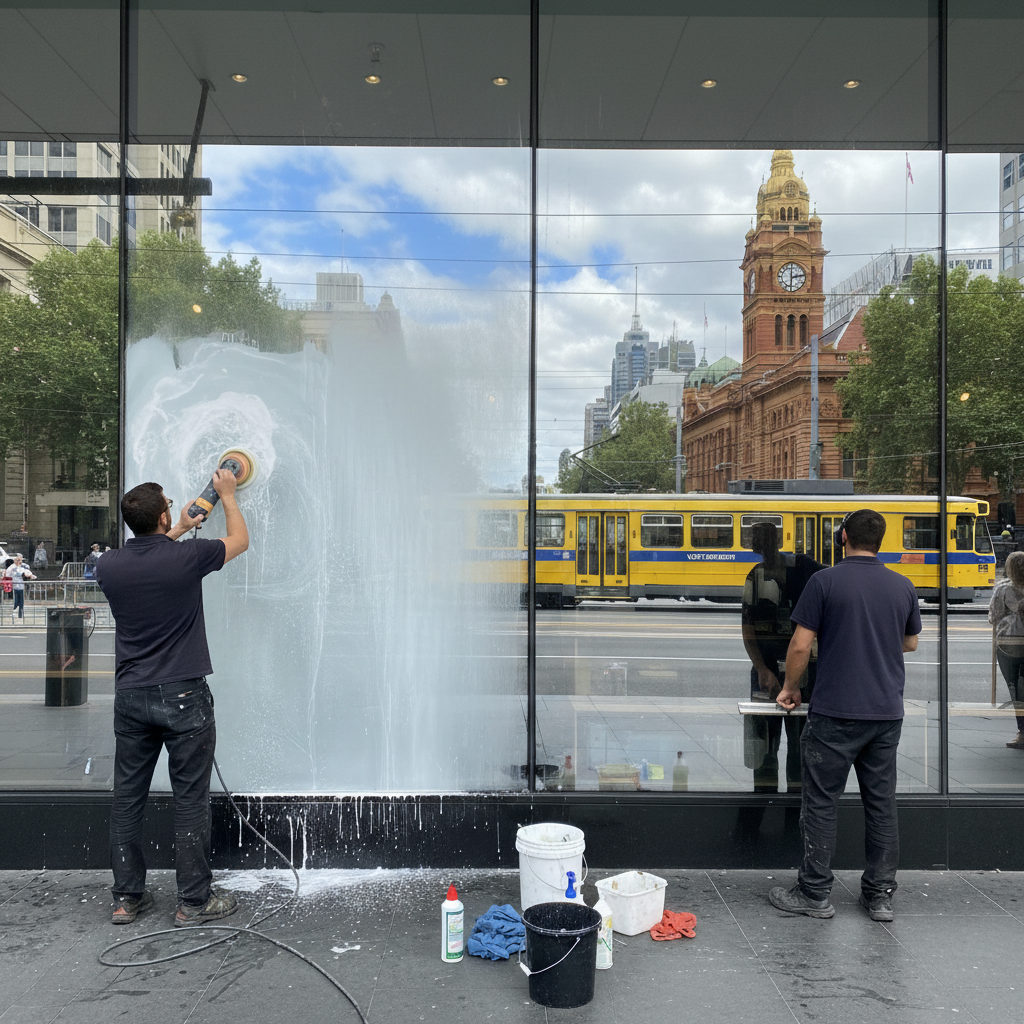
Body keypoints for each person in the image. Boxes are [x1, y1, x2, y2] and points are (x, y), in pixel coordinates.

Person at [97, 470, 249, 926]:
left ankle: (127, 899)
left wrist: (177, 526)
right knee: (189, 800)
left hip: (131, 697)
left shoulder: (109, 566)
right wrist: (226, 496)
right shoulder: (188, 559)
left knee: (127, 799)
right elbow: (239, 540)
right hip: (184, 697)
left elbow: (151, 553)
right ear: (163, 514)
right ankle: (194, 902)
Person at [768, 508, 921, 924]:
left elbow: (800, 646)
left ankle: (815, 893)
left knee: (820, 803)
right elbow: (910, 643)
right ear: (880, 541)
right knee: (882, 804)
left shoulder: (825, 581)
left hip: (835, 713)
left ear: (843, 536)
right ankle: (880, 896)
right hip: (886, 712)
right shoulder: (901, 585)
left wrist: (790, 687)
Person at [740, 521, 825, 792]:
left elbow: (748, 630)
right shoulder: (757, 575)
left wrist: (762, 670)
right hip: (779, 672)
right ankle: (768, 798)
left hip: (798, 671)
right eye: (758, 540)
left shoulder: (802, 566)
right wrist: (763, 670)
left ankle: (791, 804)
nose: (761, 545)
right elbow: (748, 629)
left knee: (798, 746)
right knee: (766, 747)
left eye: (763, 539)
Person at [989, 550, 1024, 749]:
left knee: (1017, 691)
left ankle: (1023, 732)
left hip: (1009, 643)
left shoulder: (1003, 589)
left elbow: (993, 617)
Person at [4, 554, 36, 622]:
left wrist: (30, 575)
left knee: (21, 601)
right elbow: (7, 574)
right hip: (14, 586)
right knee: (16, 601)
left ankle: (20, 614)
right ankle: (14, 612)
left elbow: (27, 571)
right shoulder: (12, 567)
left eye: (20, 560)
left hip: (21, 586)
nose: (19, 561)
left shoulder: (22, 566)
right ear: (15, 560)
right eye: (17, 560)